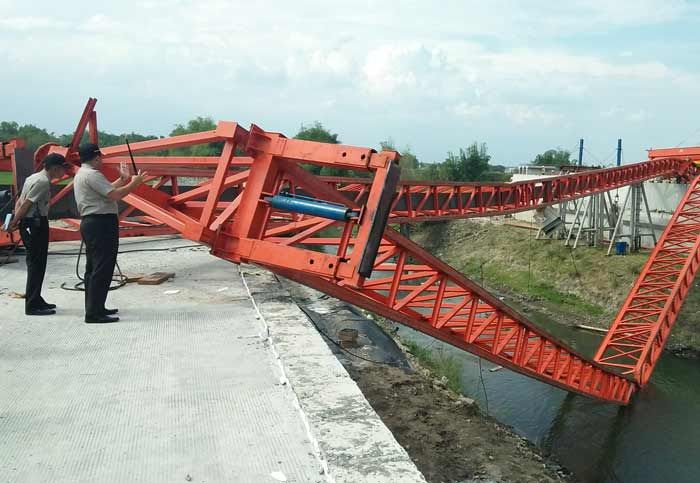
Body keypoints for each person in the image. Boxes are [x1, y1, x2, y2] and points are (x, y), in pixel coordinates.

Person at [73, 143, 147, 323]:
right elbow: (114, 195)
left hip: (92, 223)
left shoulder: (83, 174)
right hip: (101, 223)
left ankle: (95, 307)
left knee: (93, 267)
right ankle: (94, 313)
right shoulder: (93, 174)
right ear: (96, 157)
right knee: (102, 268)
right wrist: (133, 183)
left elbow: (106, 191)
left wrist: (122, 179)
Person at [8, 153, 69, 315]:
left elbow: (20, 201)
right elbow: (27, 204)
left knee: (37, 263)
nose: (65, 172)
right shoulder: (42, 182)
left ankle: (36, 298)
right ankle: (32, 305)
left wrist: (17, 220)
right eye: (64, 168)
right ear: (55, 168)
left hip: (30, 223)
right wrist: (14, 222)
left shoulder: (33, 177)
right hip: (35, 224)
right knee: (36, 264)